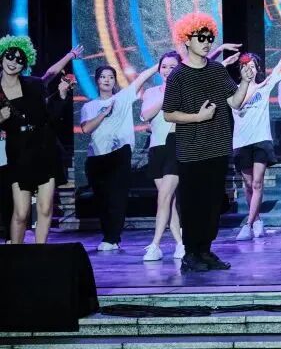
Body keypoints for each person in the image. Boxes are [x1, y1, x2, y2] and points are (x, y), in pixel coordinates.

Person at [163, 13, 256, 273]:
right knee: (193, 204)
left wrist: (245, 81)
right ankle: (191, 253)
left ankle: (205, 250)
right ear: (187, 40)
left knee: (213, 203)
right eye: (201, 38)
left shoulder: (217, 70)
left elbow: (234, 102)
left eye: (209, 38)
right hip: (191, 150)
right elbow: (169, 113)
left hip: (217, 147)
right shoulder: (178, 76)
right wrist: (197, 117)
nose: (206, 42)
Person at [230, 33, 281, 242]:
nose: (250, 70)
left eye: (253, 66)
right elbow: (238, 105)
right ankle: (257, 219)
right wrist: (253, 88)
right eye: (246, 66)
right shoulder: (233, 90)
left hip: (261, 140)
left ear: (258, 69)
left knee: (257, 183)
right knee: (248, 184)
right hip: (241, 142)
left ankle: (248, 225)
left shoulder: (265, 85)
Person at [0, 35, 74, 244]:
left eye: (19, 59)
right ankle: (16, 253)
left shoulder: (33, 85)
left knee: (45, 208)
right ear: (2, 56)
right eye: (10, 56)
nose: (13, 62)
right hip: (18, 152)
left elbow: (49, 116)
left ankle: (40, 254)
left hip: (44, 148)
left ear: (25, 64)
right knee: (21, 212)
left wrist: (61, 95)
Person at [79, 62, 158, 251]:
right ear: (97, 81)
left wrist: (159, 65)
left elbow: (142, 77)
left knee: (117, 198)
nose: (107, 80)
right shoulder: (90, 106)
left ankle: (112, 238)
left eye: (111, 77)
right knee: (102, 200)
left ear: (115, 81)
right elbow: (86, 129)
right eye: (103, 77)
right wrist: (103, 113)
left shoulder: (123, 97)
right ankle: (109, 236)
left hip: (120, 154)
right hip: (97, 157)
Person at [140, 51, 185, 261]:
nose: (167, 71)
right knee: (169, 200)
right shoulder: (151, 92)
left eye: (172, 66)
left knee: (164, 197)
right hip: (156, 148)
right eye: (164, 67)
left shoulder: (185, 91)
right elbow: (145, 115)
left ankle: (155, 244)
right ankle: (180, 243)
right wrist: (165, 95)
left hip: (175, 145)